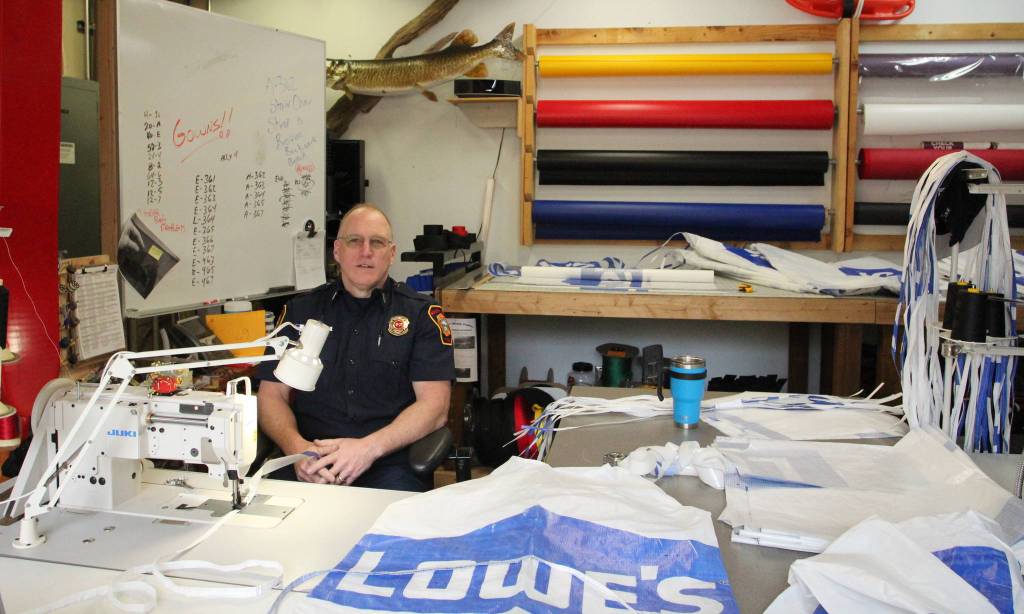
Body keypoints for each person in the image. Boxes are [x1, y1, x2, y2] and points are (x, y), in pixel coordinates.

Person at [257, 204, 454, 491]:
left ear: (392, 253)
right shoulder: (300, 313)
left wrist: (368, 449)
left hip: (387, 464)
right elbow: (271, 396)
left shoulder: (421, 316)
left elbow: (434, 406)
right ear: (337, 251)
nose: (366, 251)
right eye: (354, 241)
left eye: (377, 242)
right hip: (309, 461)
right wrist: (297, 449)